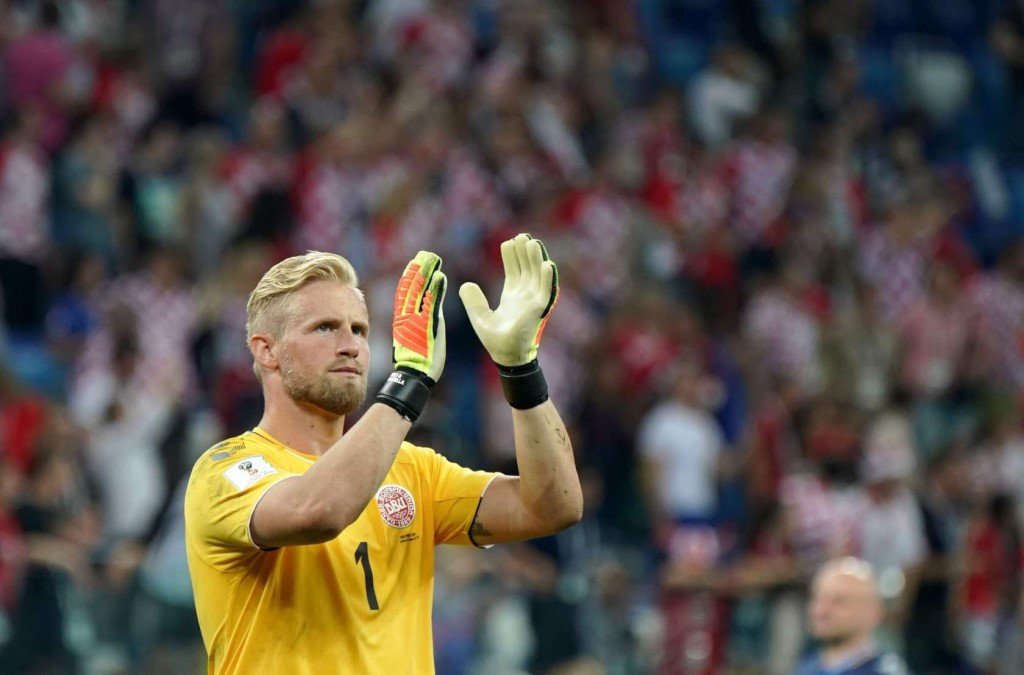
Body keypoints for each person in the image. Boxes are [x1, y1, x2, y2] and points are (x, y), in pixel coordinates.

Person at [183, 233, 583, 673]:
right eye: (324, 327)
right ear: (267, 350)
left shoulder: (413, 469)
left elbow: (554, 506)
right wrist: (409, 380)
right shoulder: (225, 472)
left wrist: (521, 370)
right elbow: (319, 511)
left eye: (359, 330)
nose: (351, 345)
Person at [795, 557, 908, 675]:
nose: (821, 610)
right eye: (818, 598)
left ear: (874, 613)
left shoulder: (884, 671)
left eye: (838, 601)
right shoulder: (805, 667)